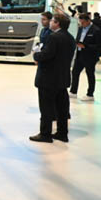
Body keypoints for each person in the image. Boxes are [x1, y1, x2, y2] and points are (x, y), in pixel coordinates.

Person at [31, 14, 76, 143]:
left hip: (48, 78)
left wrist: (36, 55)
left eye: (52, 21)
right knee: (61, 109)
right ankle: (62, 133)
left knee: (46, 108)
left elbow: (47, 55)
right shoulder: (70, 37)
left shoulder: (53, 37)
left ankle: (45, 134)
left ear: (57, 23)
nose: (50, 22)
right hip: (62, 78)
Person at [70, 13, 101, 102]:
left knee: (90, 74)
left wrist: (86, 46)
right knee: (75, 72)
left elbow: (99, 46)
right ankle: (73, 91)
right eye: (80, 22)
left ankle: (90, 94)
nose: (81, 24)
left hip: (90, 56)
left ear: (88, 21)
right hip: (80, 54)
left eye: (83, 22)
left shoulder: (96, 30)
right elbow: (78, 39)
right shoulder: (80, 28)